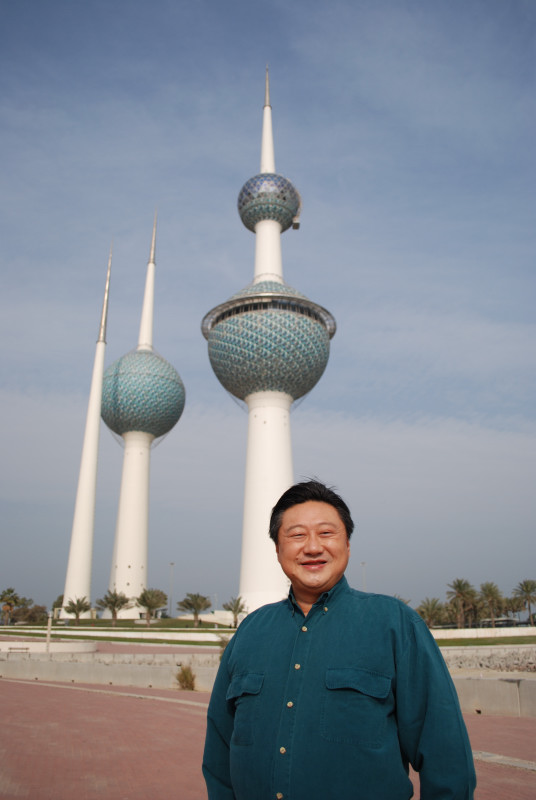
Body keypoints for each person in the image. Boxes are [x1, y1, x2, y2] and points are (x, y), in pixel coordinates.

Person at [203, 480, 476, 799]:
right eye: (296, 535)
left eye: (326, 533)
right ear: (277, 549)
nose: (312, 547)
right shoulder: (249, 632)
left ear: (347, 544)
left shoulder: (395, 625)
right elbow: (219, 753)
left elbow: (445, 754)